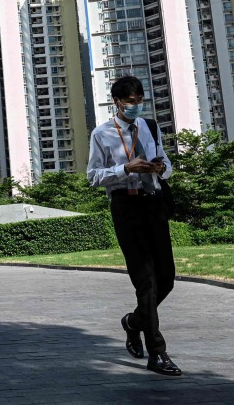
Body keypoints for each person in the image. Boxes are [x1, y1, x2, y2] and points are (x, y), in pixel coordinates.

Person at [86, 75, 181, 376]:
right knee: (146, 280)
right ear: (116, 101)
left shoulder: (150, 127)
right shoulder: (102, 134)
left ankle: (133, 322)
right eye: (130, 102)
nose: (135, 107)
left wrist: (161, 167)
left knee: (166, 277)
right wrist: (126, 167)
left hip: (153, 203)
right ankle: (158, 353)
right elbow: (93, 176)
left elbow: (166, 164)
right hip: (126, 206)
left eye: (139, 101)